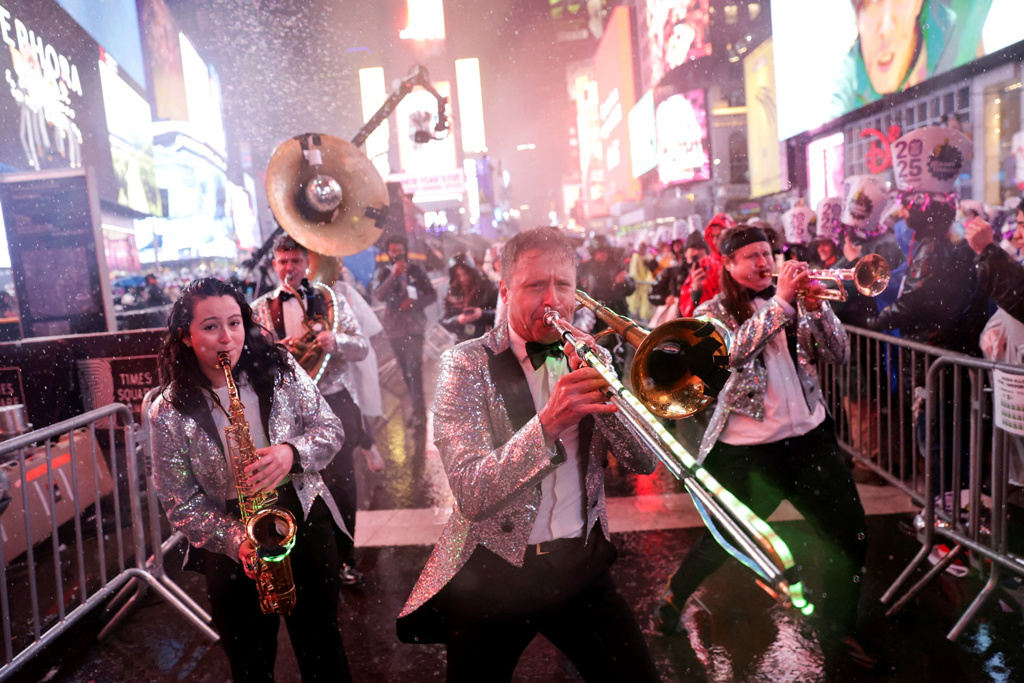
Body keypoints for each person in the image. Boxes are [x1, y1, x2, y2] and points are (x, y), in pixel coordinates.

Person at [396, 227, 661, 683]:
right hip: (493, 575)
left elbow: (643, 461)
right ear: (505, 291)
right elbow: (472, 491)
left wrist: (608, 396)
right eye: (535, 285)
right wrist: (548, 424)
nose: (552, 300)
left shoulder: (591, 354)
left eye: (563, 285)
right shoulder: (466, 363)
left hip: (579, 566)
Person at [653, 225, 874, 668]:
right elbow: (731, 354)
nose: (763, 263)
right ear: (729, 266)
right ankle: (675, 597)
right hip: (747, 451)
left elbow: (839, 353)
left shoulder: (796, 300)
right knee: (724, 541)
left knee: (850, 534)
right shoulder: (713, 310)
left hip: (811, 438)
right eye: (751, 256)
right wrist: (781, 305)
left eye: (767, 253)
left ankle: (838, 629)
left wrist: (819, 310)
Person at [149, 278, 352, 682]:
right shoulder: (167, 410)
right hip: (230, 532)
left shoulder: (280, 370)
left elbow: (330, 428)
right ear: (185, 337)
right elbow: (179, 501)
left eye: (235, 323)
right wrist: (235, 540)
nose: (227, 338)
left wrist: (290, 453)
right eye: (210, 327)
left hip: (302, 514)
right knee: (249, 662)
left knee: (323, 651)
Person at [251, 234, 369, 584]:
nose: (289, 269)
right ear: (274, 265)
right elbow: (251, 358)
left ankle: (345, 558)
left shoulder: (330, 298)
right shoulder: (259, 308)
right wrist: (273, 349)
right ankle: (305, 556)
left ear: (307, 264)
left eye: (296, 262)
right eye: (283, 262)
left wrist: (338, 341)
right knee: (296, 484)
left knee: (343, 483)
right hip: (287, 409)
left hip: (333, 396)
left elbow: (362, 346)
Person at [831, 0, 957, 117]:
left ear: (918, 4)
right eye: (872, 2)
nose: (886, 28)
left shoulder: (955, 37)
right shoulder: (845, 81)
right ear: (857, 19)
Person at [371, 235, 437, 429]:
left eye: (399, 249)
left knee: (414, 369)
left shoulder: (416, 270)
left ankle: (418, 413)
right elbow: (378, 295)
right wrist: (393, 275)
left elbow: (431, 295)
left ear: (405, 250)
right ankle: (417, 408)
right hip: (394, 330)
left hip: (414, 327)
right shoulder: (383, 273)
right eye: (392, 250)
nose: (396, 253)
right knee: (406, 371)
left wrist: (415, 303)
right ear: (388, 253)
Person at [679, 212, 734, 317]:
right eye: (712, 236)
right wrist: (696, 292)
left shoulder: (741, 261)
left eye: (719, 236)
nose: (714, 240)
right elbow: (687, 310)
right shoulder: (704, 264)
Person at [440, 253, 498, 343]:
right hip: (462, 341)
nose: (462, 278)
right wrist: (458, 320)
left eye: (465, 274)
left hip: (487, 340)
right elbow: (444, 321)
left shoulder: (487, 287)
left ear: (471, 272)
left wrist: (482, 314)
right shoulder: (452, 293)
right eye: (458, 275)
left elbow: (501, 315)